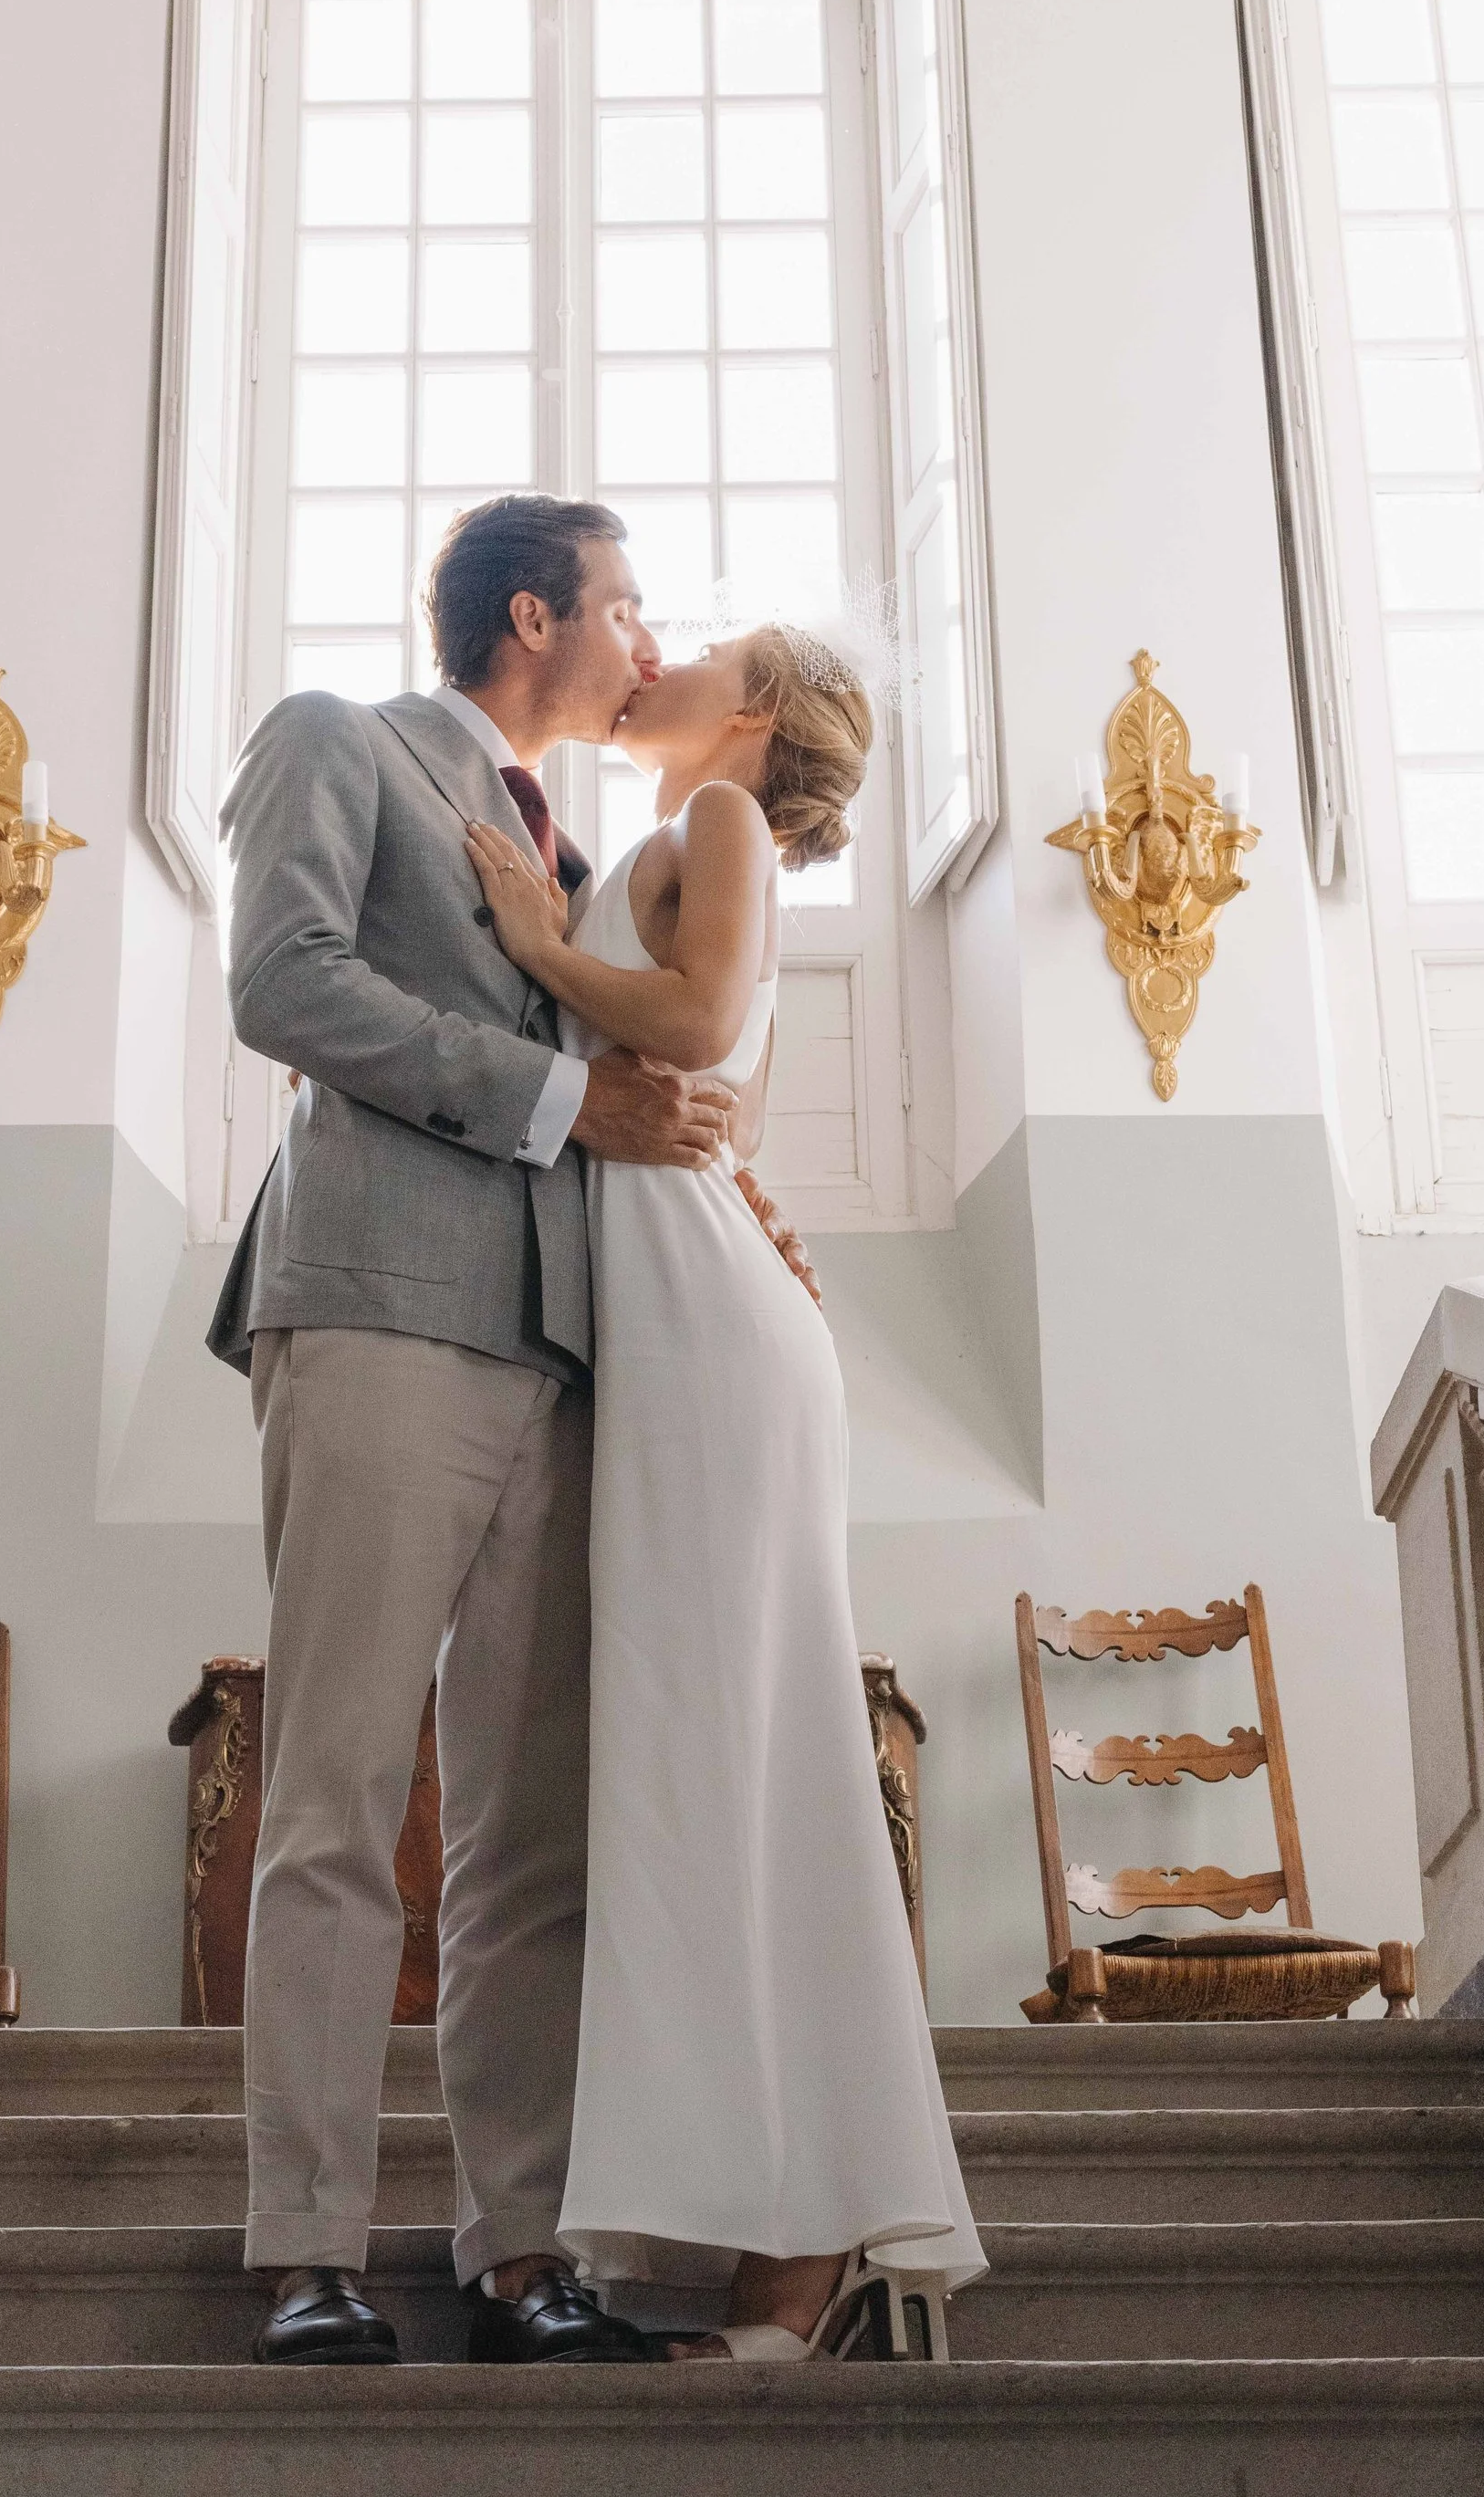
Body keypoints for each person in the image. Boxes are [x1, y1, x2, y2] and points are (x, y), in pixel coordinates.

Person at [207, 494, 747, 2369]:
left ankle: (521, 2249)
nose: (645, 639)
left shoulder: (578, 848)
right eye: (623, 603)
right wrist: (552, 1096)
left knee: (534, 1838)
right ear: (532, 613)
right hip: (370, 1309)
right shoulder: (332, 742)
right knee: (334, 1797)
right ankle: (306, 2247)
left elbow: (640, 1087)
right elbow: (281, 983)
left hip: (569, 1352)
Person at [463, 622, 988, 2360]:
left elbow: (687, 1029)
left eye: (702, 648)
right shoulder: (664, 847)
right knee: (701, 1772)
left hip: (717, 1350)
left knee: (758, 1769)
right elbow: (726, 1110)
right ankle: (766, 2226)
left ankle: (809, 2255)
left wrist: (542, 945)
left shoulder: (728, 826)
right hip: (681, 1327)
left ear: (749, 715)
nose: (657, 651)